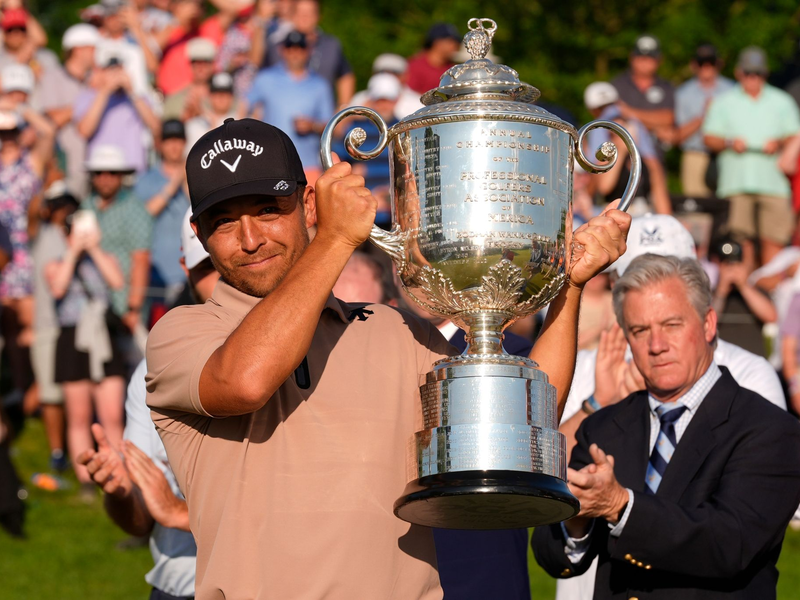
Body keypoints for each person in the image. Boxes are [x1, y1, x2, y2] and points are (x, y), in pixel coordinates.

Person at [144, 117, 630, 598]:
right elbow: (248, 379)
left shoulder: (389, 328)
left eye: (268, 209)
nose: (250, 239)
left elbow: (522, 418)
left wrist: (569, 286)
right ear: (198, 232)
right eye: (223, 221)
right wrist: (335, 238)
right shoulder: (183, 334)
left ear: (307, 204)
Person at [533, 253, 800, 600]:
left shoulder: (769, 430)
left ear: (708, 324)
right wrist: (577, 519)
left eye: (672, 325)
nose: (656, 346)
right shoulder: (604, 427)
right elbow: (553, 555)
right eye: (640, 330)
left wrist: (621, 507)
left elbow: (730, 544)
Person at [78, 208, 219, 600]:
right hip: (180, 586)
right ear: (184, 267)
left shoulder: (300, 358)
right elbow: (141, 520)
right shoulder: (152, 370)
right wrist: (121, 492)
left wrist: (179, 513)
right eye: (208, 264)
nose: (225, 277)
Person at [44, 178, 126, 491]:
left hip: (102, 336)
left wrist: (92, 247)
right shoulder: (56, 262)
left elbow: (117, 281)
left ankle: (120, 474)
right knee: (78, 416)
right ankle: (86, 480)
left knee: (112, 414)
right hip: (71, 337)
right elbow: (58, 285)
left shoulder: (103, 258)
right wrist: (73, 251)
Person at [703, 46, 800, 266]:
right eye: (748, 73)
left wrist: (779, 142)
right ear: (739, 73)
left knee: (774, 240)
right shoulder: (723, 101)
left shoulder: (782, 101)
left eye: (757, 73)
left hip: (774, 183)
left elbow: (795, 134)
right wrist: (729, 142)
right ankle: (742, 292)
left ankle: (769, 291)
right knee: (739, 242)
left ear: (765, 74)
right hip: (736, 183)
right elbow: (708, 138)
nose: (752, 78)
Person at [0, 106, 54, 419]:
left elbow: (47, 132)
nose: (6, 138)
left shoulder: (29, 164)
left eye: (10, 132)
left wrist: (18, 108)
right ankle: (21, 389)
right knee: (11, 329)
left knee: (33, 325)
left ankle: (39, 389)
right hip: (3, 257)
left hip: (28, 254)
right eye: (2, 133)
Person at [31, 181, 80, 478]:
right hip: (48, 324)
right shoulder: (40, 235)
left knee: (73, 393)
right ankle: (57, 453)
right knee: (51, 394)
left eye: (68, 204)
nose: (64, 210)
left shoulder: (76, 234)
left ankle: (73, 451)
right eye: (59, 205)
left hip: (75, 325)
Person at [82, 144, 153, 337]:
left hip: (123, 305)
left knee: (128, 361)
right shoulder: (86, 204)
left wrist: (134, 308)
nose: (105, 178)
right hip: (91, 302)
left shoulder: (135, 209)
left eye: (112, 172)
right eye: (99, 172)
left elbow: (141, 259)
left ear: (121, 175)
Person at [246, 30, 334, 183]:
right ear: (282, 50)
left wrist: (312, 125)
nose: (295, 53)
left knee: (310, 205)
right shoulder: (265, 79)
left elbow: (331, 127)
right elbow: (244, 107)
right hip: (271, 163)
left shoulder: (320, 85)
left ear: (309, 50)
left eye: (300, 48)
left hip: (308, 165)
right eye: (290, 47)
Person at [583, 81, 671, 215]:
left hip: (644, 215)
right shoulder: (598, 132)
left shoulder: (638, 131)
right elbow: (603, 187)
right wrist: (621, 147)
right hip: (614, 214)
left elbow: (659, 189)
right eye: (602, 109)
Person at [134, 119, 189, 315]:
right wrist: (173, 184)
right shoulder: (147, 179)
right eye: (168, 140)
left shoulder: (193, 176)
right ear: (160, 144)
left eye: (178, 140)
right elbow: (144, 214)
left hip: (189, 273)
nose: (174, 146)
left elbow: (200, 209)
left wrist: (186, 180)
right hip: (157, 273)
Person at [40, 23, 100, 199]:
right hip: (67, 166)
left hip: (96, 167)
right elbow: (53, 119)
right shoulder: (53, 77)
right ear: (78, 49)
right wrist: (92, 97)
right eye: (92, 48)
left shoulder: (95, 78)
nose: (96, 53)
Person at [74, 51, 160, 175]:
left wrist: (132, 91)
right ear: (100, 72)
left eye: (119, 69)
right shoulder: (87, 97)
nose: (116, 75)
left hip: (133, 173)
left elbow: (156, 127)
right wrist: (105, 90)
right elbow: (84, 131)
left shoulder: (139, 98)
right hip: (102, 174)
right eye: (110, 70)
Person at [674, 44, 734, 198]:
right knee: (697, 208)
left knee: (728, 207)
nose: (706, 67)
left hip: (727, 154)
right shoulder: (683, 93)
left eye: (711, 63)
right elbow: (678, 136)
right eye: (702, 63)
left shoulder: (732, 89)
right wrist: (705, 115)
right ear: (694, 65)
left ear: (719, 64)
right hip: (696, 155)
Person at [611, 35, 675, 147]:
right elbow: (611, 124)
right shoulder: (617, 85)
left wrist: (629, 113)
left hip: (656, 153)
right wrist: (656, 126)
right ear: (631, 58)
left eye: (650, 57)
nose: (644, 61)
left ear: (659, 60)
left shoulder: (666, 87)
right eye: (640, 56)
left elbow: (668, 119)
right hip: (622, 156)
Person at [162, 36, 216, 121]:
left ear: (212, 66)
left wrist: (201, 113)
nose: (200, 68)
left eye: (205, 62)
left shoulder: (223, 97)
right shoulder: (174, 100)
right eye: (196, 63)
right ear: (190, 66)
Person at [185, 71, 237, 149]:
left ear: (232, 97)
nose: (221, 97)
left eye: (225, 93)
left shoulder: (240, 122)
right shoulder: (195, 124)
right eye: (217, 93)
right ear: (210, 96)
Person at [406, 22, 460, 95]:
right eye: (451, 41)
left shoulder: (453, 69)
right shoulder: (415, 66)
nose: (455, 46)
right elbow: (409, 95)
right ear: (437, 42)